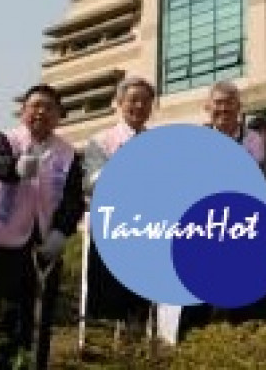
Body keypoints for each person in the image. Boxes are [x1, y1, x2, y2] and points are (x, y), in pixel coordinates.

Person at [0, 84, 85, 370]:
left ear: (59, 115)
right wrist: (15, 167)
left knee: (37, 321)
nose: (41, 112)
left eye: (48, 107)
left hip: (44, 249)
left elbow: (73, 200)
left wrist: (60, 233)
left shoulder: (68, 153)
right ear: (23, 111)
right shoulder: (7, 139)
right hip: (4, 246)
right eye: (35, 105)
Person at [177, 81, 266, 341]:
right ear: (207, 107)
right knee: (198, 307)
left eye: (229, 103)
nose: (223, 109)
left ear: (239, 107)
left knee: (246, 307)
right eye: (218, 103)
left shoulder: (256, 142)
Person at [83, 75, 157, 336]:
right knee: (103, 312)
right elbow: (92, 184)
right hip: (109, 234)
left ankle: (133, 354)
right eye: (133, 100)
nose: (139, 106)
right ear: (119, 102)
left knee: (138, 312)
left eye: (145, 101)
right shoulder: (101, 140)